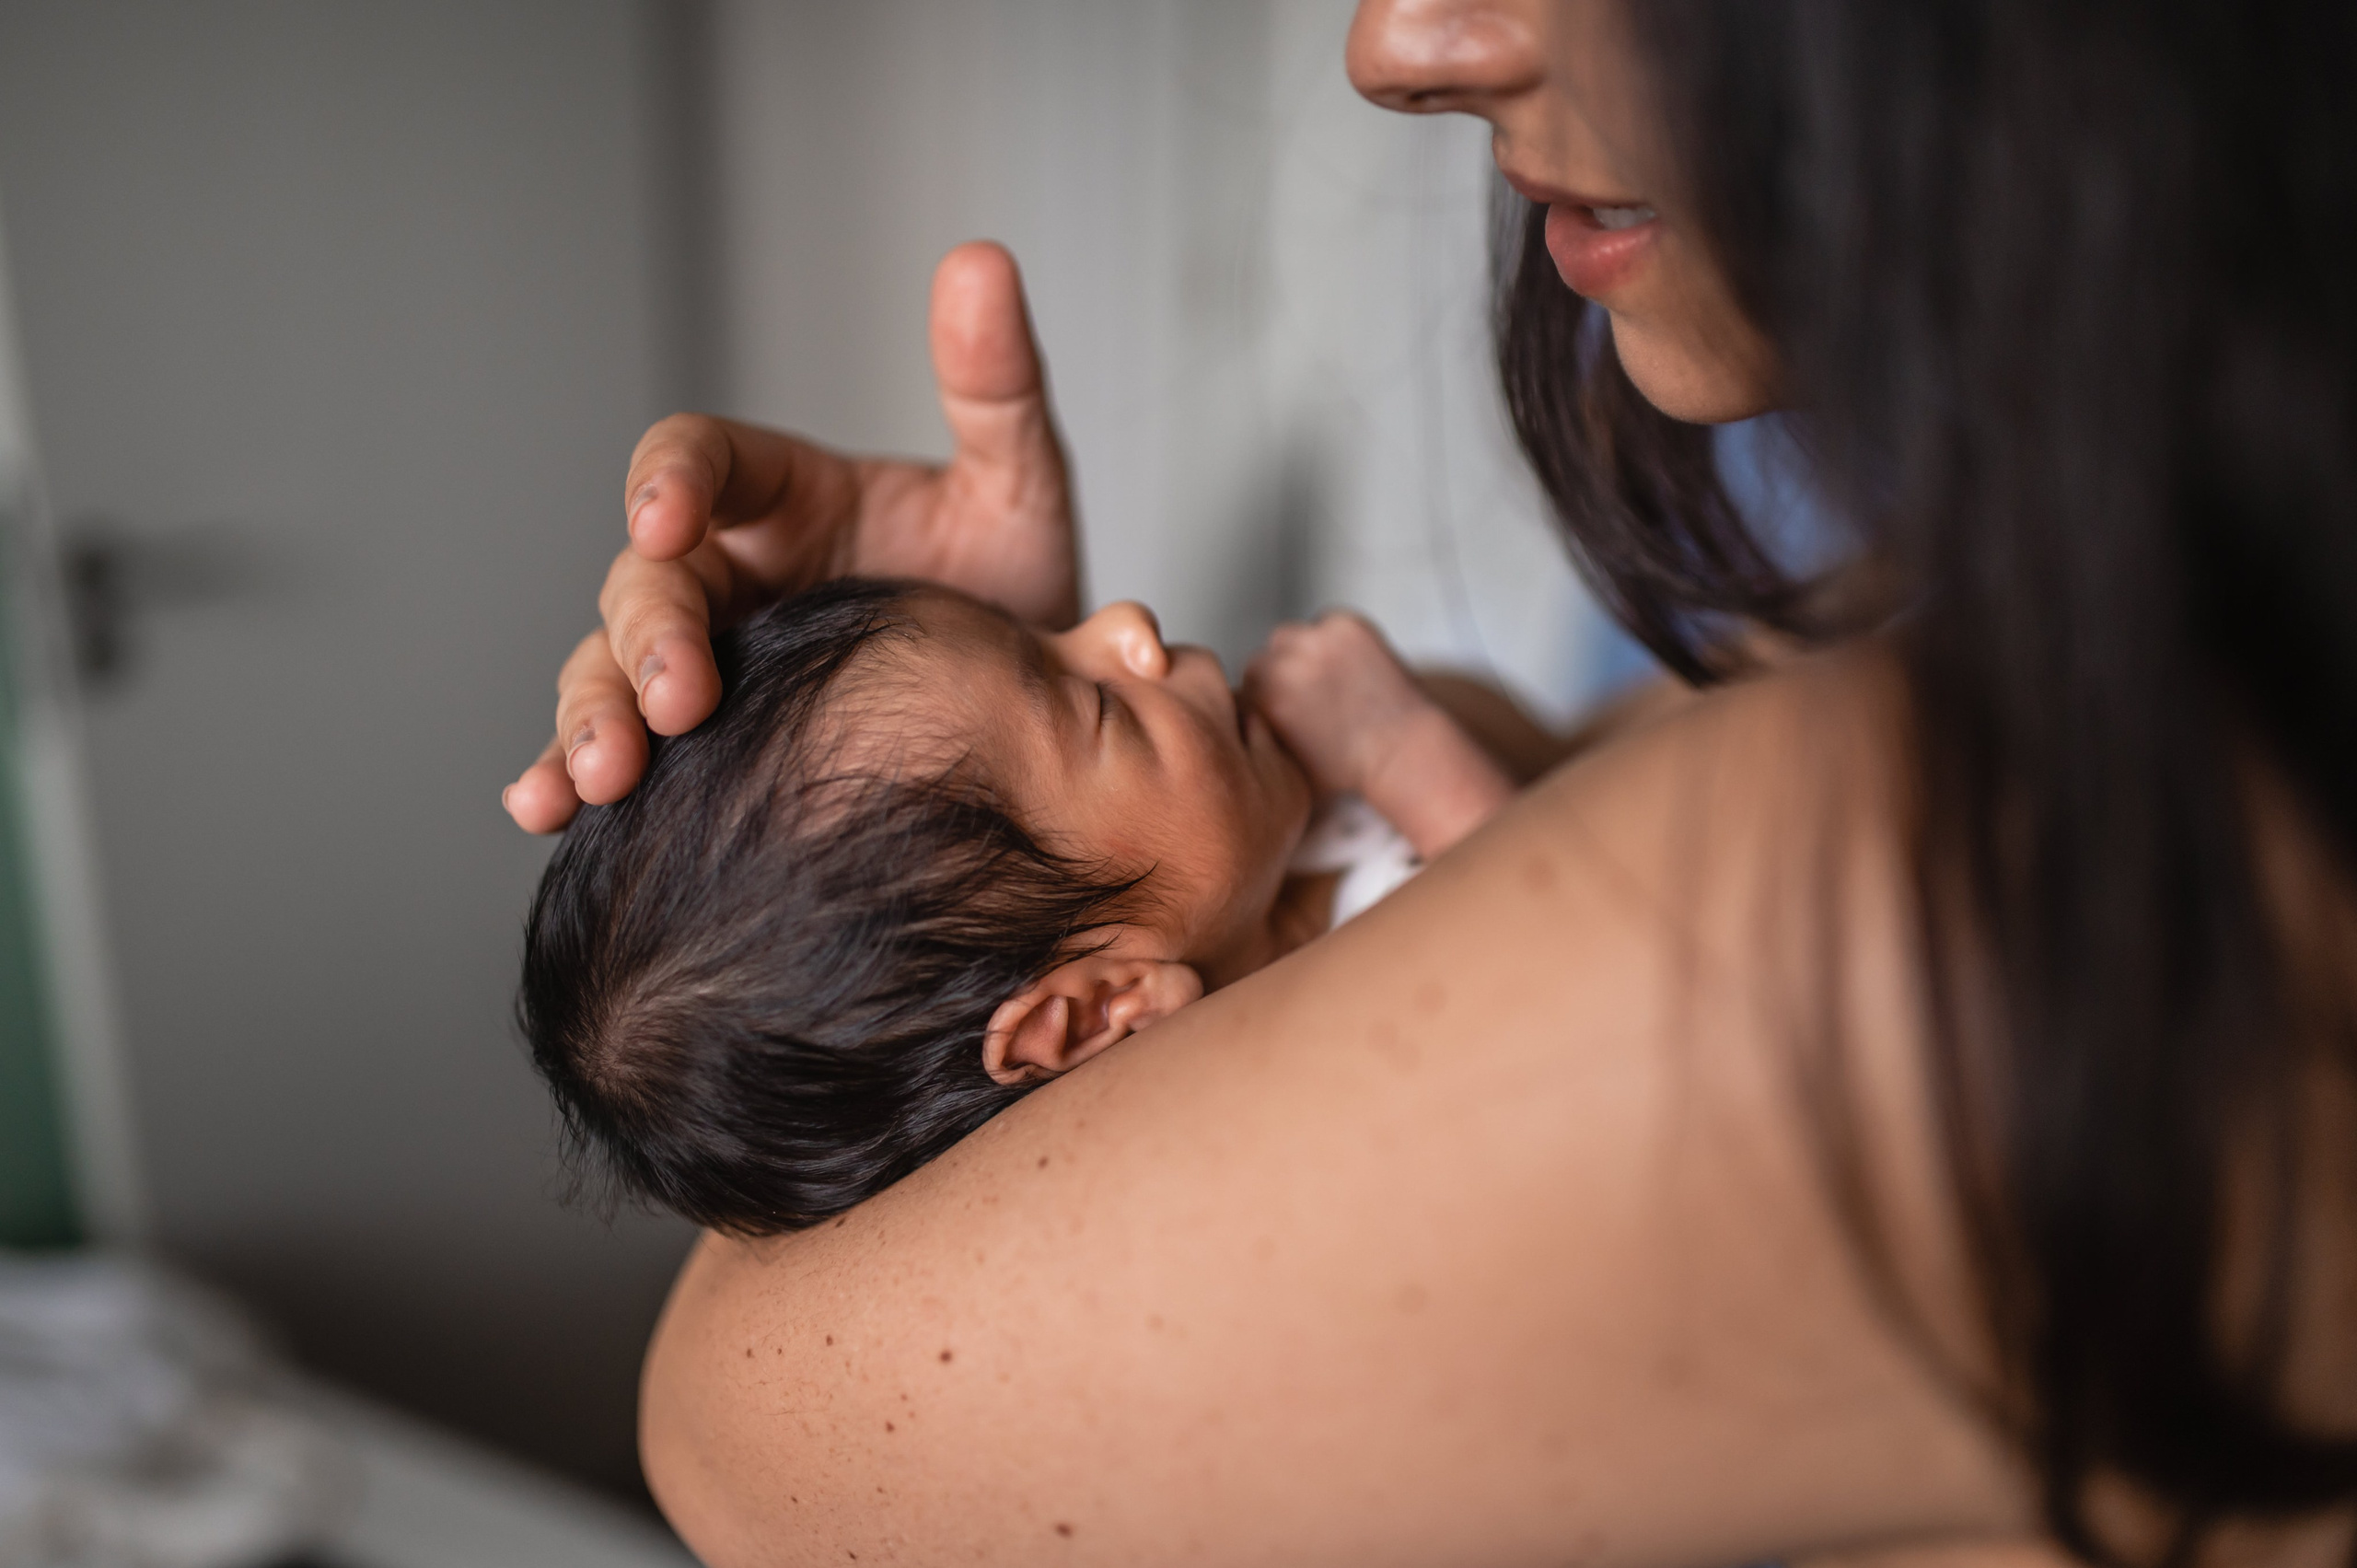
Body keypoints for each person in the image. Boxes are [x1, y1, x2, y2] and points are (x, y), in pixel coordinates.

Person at [505, 1, 2357, 1564]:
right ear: (1074, 1008)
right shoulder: (1985, 569)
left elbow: (743, 1417)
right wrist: (906, 772)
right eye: (1080, 695)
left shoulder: (2013, 874)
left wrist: (1020, 777)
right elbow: (1609, 767)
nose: (1390, 44)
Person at [519, 578, 1514, 1235]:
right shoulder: (1329, 1082)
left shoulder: (1278, 842)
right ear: (1092, 1008)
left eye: (1042, 630)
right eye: (1099, 708)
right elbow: (1565, 963)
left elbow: (1536, 738)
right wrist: (1400, 748)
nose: (1125, 624)